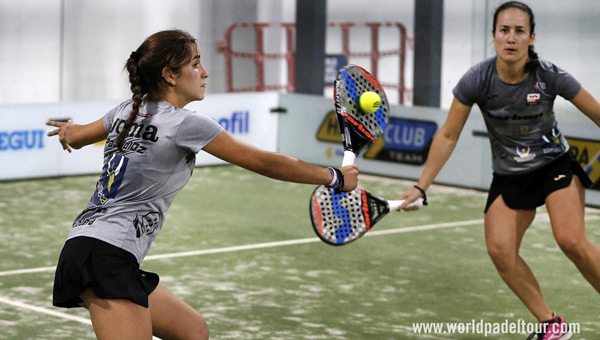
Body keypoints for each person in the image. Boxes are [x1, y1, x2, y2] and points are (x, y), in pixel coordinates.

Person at [46, 29, 358, 340]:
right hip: (106, 255)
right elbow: (264, 162)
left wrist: (67, 130)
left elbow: (76, 136)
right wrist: (333, 177)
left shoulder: (124, 112)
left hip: (89, 246)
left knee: (193, 331)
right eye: (196, 64)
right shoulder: (186, 124)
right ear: (169, 74)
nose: (205, 73)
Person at [396, 2, 600, 340]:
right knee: (500, 250)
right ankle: (551, 325)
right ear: (493, 36)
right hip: (509, 174)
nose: (511, 38)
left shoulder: (549, 75)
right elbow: (448, 134)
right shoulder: (477, 79)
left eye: (520, 31)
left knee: (571, 239)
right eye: (504, 30)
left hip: (554, 165)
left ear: (531, 37)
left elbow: (597, 112)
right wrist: (421, 186)